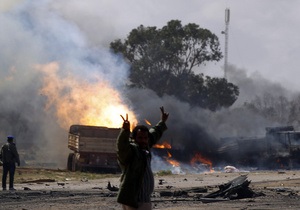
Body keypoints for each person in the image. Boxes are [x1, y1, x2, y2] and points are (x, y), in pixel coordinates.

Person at [117, 106, 169, 210]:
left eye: (145, 138)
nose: (143, 140)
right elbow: (121, 147)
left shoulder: (145, 147)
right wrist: (125, 131)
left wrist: (162, 122)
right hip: (135, 200)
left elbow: (155, 133)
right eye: (140, 138)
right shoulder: (132, 151)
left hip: (143, 199)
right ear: (134, 138)